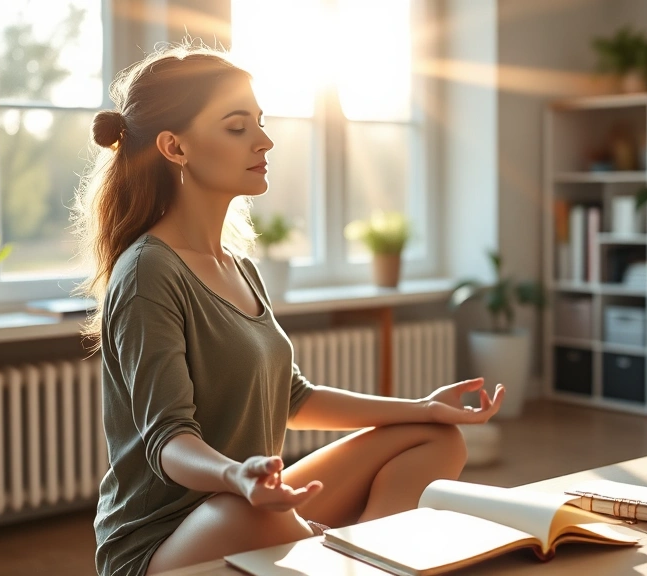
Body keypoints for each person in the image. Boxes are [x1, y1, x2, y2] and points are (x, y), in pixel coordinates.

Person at [72, 43, 505, 576]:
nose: (264, 140)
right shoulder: (147, 273)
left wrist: (424, 407)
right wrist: (238, 477)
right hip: (160, 541)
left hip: (249, 501)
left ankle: (364, 560)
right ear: (174, 147)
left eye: (260, 121)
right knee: (248, 513)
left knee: (436, 439)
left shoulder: (239, 266)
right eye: (237, 127)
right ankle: (355, 558)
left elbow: (294, 397)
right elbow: (169, 442)